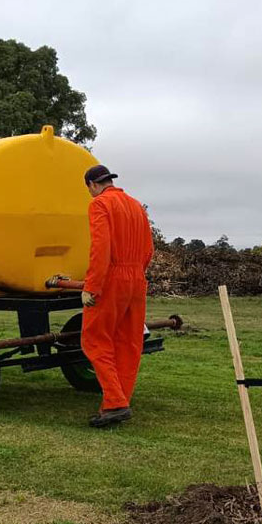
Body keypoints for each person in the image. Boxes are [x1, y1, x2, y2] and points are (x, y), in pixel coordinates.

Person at [80, 165, 154, 427]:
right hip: (137, 278)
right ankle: (120, 400)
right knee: (129, 342)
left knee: (95, 339)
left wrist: (91, 286)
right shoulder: (136, 206)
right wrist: (136, 273)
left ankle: (114, 402)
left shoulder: (99, 204)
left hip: (112, 278)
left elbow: (100, 248)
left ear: (92, 184)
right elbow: (148, 249)